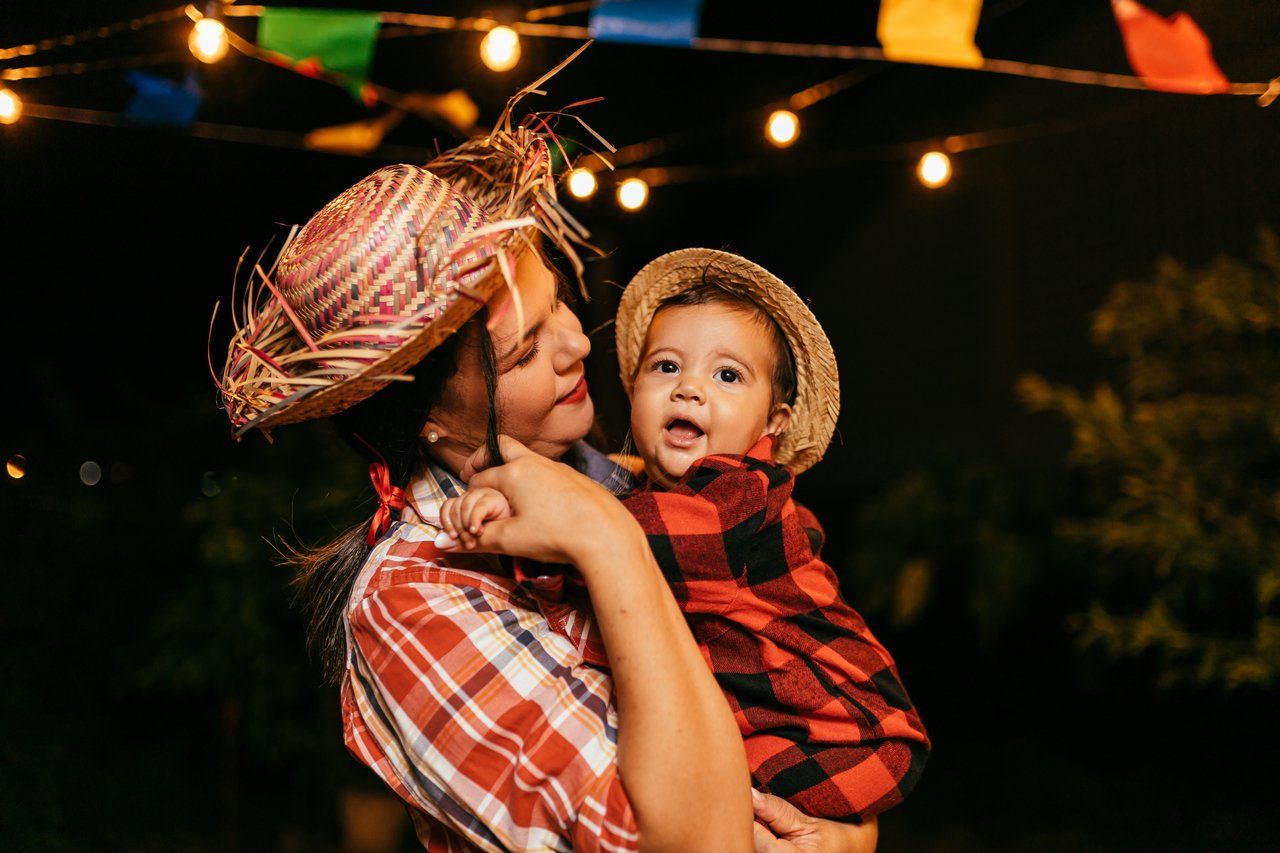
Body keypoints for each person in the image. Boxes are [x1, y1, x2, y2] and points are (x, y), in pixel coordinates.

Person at [216, 89, 887, 850]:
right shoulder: (416, 600)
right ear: (428, 420)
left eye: (560, 302)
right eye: (525, 350)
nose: (576, 344)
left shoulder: (645, 479)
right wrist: (608, 542)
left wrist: (849, 826)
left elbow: (808, 684)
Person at [439, 249, 930, 821]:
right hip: (770, 720)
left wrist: (521, 488)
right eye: (666, 367)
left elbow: (622, 535)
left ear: (774, 421)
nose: (689, 389)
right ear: (633, 387)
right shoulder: (642, 485)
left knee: (726, 814)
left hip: (847, 731)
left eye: (727, 375)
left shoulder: (741, 496)